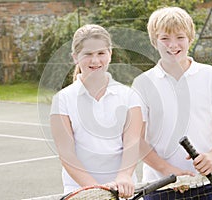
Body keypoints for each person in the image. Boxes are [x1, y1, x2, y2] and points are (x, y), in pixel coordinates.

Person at [132, 7, 212, 199]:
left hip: (205, 183)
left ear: (190, 39)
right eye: (165, 38)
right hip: (159, 187)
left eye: (180, 37)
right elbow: (136, 140)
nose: (172, 45)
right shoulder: (142, 84)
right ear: (154, 42)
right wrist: (168, 171)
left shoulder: (211, 76)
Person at [50, 24, 143, 199]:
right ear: (75, 57)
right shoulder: (62, 99)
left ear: (110, 54)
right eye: (88, 54)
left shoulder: (129, 96)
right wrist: (95, 189)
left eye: (101, 53)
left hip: (123, 191)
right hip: (81, 192)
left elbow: (132, 142)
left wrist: (123, 176)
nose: (95, 61)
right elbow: (67, 153)